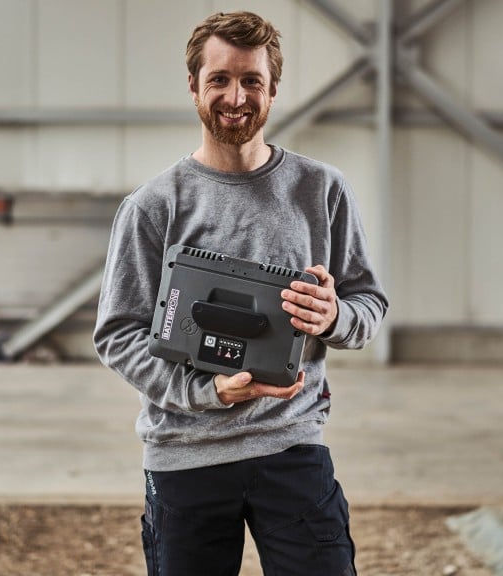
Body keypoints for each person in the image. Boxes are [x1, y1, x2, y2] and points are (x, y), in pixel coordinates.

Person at [93, 10, 388, 576]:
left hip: (292, 446)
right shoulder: (154, 207)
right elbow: (117, 335)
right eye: (219, 79)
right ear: (194, 87)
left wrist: (334, 316)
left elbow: (368, 304)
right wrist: (207, 393)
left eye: (252, 80)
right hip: (185, 456)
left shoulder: (321, 191)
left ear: (273, 88)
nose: (236, 96)